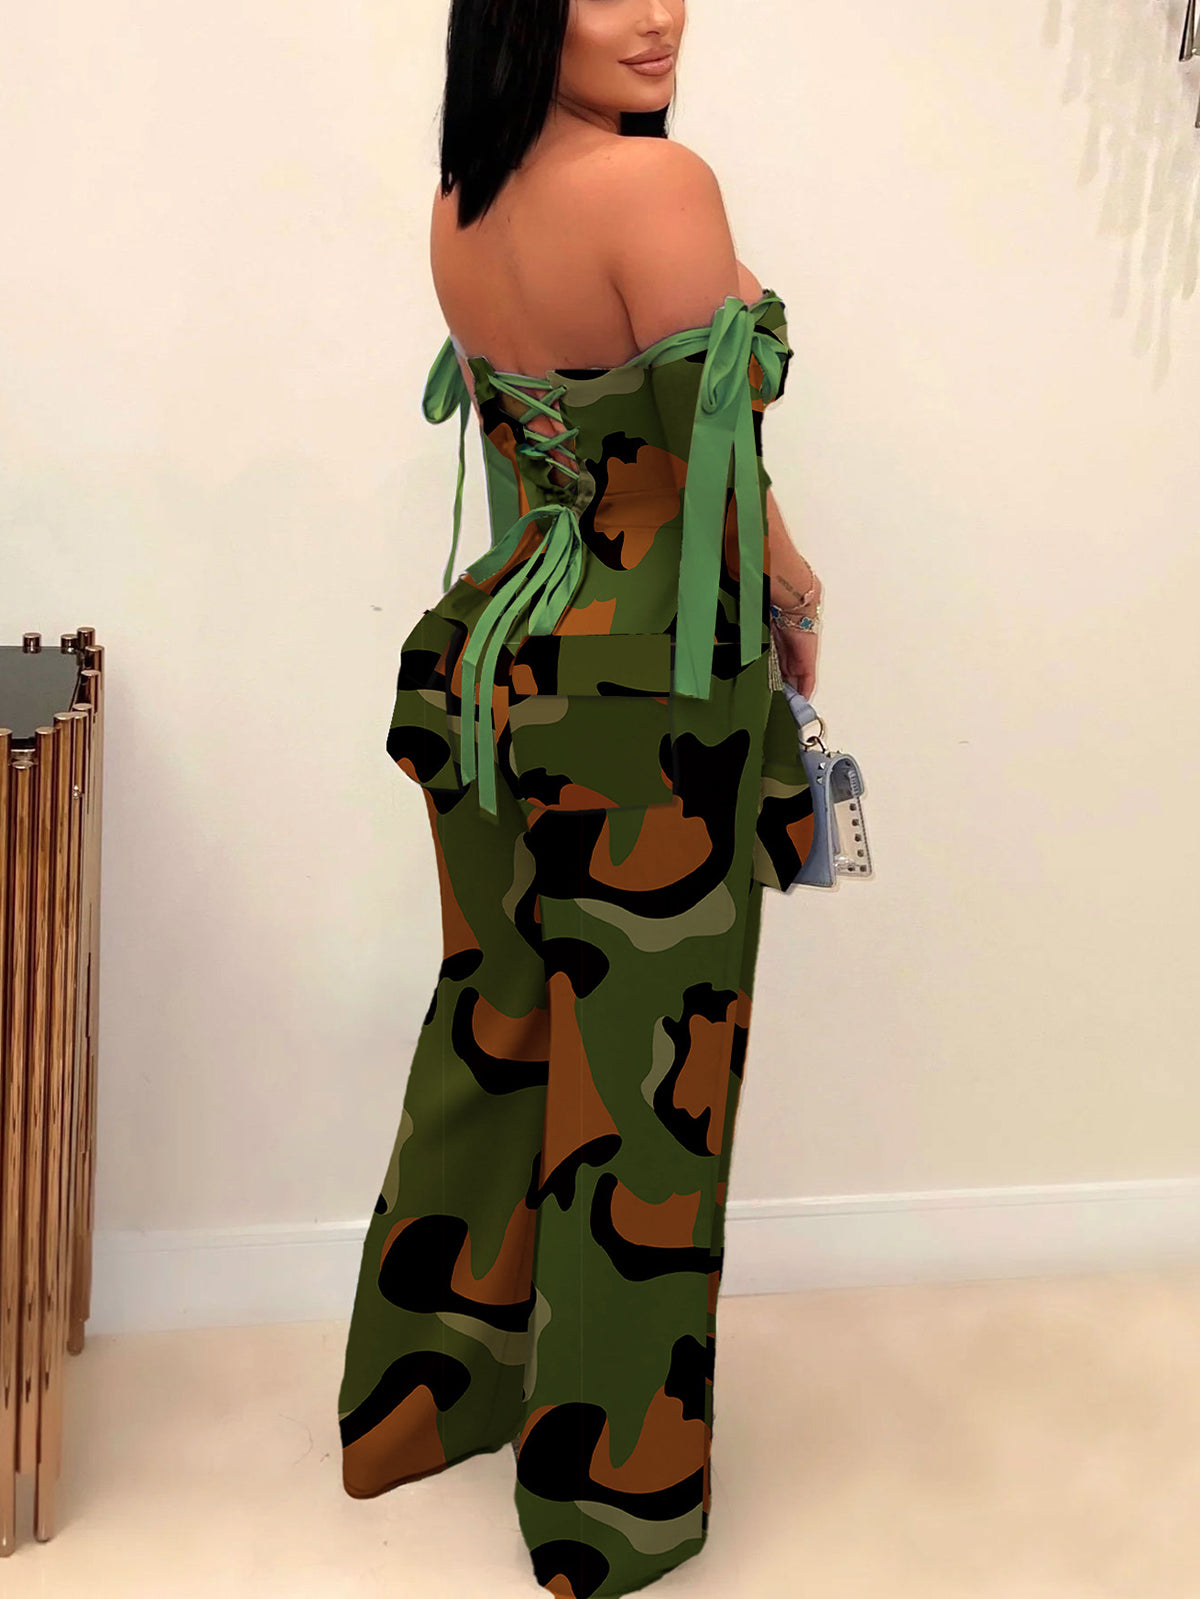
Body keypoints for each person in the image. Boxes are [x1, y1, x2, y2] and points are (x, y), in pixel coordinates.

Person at [337, 3, 823, 1595]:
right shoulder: (657, 188)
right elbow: (711, 471)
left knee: (496, 1029)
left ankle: (413, 1413)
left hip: (490, 670)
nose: (657, 15)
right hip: (643, 702)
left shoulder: (463, 202)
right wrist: (794, 593)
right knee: (645, 1107)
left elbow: (525, 459)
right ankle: (606, 1518)